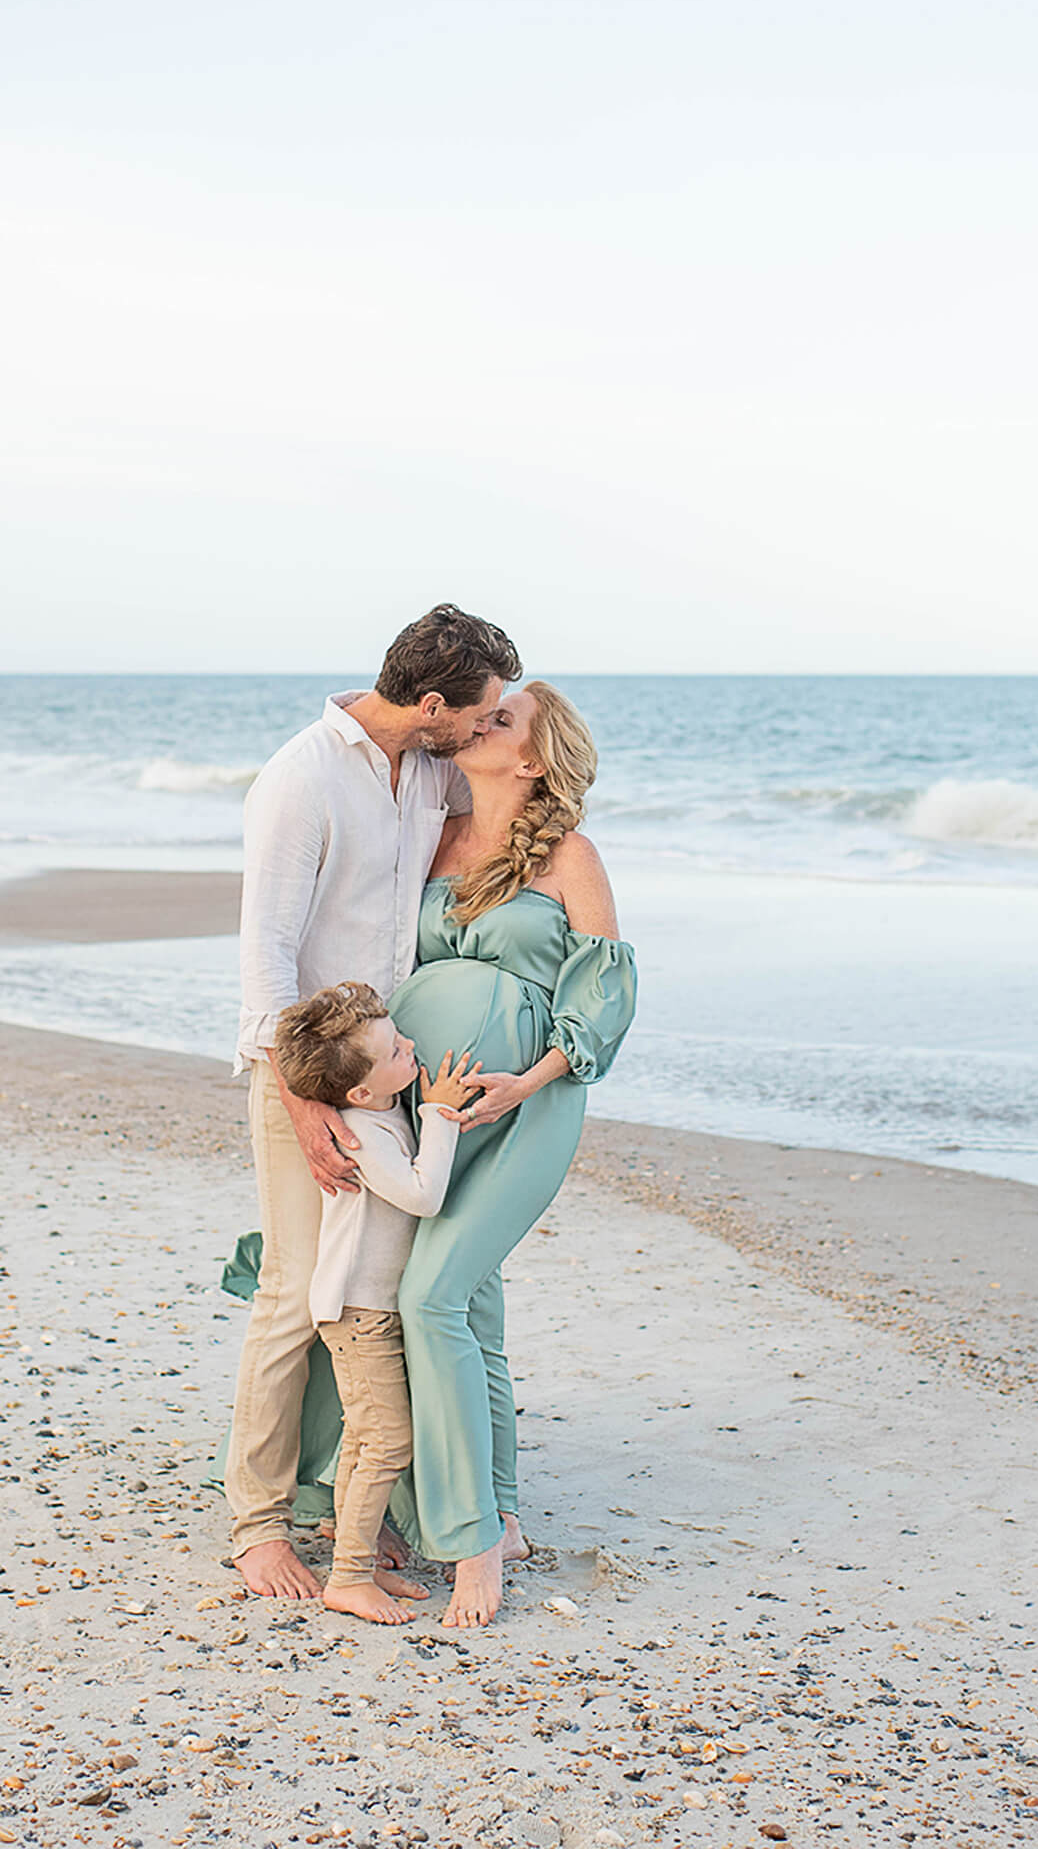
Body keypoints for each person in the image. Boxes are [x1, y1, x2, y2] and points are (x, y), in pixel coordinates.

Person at [225, 603, 521, 1599]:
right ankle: (258, 1523)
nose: (483, 731)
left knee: (377, 1294)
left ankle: (359, 1503)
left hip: (387, 1072)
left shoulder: (431, 767)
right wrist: (302, 1099)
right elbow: (265, 952)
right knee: (292, 1292)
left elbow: (492, 814)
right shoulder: (299, 777)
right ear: (430, 702)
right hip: (306, 1074)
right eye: (477, 715)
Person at [383, 679, 637, 1627]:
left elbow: (604, 993)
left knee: (431, 1297)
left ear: (531, 759)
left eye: (500, 720)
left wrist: (523, 1083)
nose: (476, 725)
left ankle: (470, 1540)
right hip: (429, 1108)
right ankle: (506, 1511)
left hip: (530, 1104)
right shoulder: (431, 840)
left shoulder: (570, 855)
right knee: (469, 1305)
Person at [272, 982, 481, 1624]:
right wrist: (442, 1115)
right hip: (359, 1314)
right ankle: (349, 1577)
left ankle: (353, 1564)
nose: (411, 1046)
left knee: (369, 1440)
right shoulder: (365, 1131)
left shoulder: (378, 1111)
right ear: (359, 1091)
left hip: (366, 1308)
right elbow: (422, 1197)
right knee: (386, 1442)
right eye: (395, 1048)